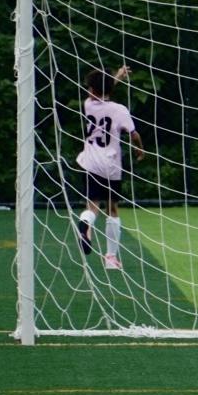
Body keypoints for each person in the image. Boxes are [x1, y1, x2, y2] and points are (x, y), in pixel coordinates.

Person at [75, 65, 145, 270]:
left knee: (92, 206)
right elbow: (134, 134)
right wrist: (140, 149)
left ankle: (85, 225)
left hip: (90, 163)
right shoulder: (119, 110)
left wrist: (116, 77)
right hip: (111, 166)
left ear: (91, 90)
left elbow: (101, 90)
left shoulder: (88, 104)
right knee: (112, 209)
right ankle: (111, 258)